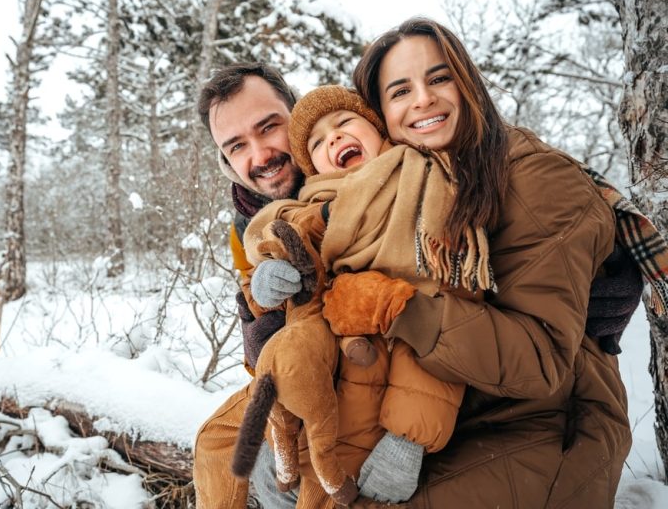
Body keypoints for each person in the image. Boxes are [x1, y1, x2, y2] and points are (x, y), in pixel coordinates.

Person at [193, 60, 645, 508]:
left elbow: (504, 156)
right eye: (236, 146)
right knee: (242, 452)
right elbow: (269, 338)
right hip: (359, 376)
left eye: (269, 126)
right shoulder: (255, 222)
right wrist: (264, 317)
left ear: (294, 109)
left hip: (484, 393)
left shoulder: (393, 152)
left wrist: (604, 257)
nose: (260, 155)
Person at [309, 17, 632, 507]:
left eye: (439, 78)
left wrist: (401, 308)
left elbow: (541, 360)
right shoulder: (396, 187)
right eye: (400, 91)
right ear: (379, 117)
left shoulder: (539, 180)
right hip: (443, 410)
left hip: (542, 423)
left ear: (469, 83)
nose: (423, 99)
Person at [233, 85, 488, 505]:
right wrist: (267, 283)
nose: (332, 137)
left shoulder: (426, 189)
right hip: (324, 401)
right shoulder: (313, 208)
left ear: (377, 128)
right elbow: (279, 248)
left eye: (344, 122)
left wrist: (409, 437)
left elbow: (445, 319)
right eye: (316, 142)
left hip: (393, 405)